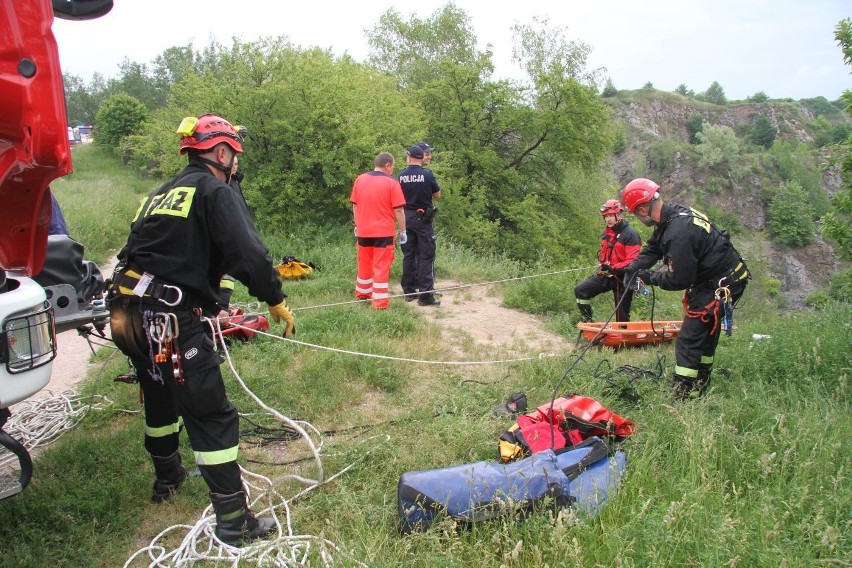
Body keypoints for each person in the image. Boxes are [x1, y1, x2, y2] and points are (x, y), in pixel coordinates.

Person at [108, 113, 295, 546]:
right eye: (233, 157)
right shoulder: (214, 190)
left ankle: (167, 479)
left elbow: (152, 251)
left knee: (157, 390)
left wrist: (214, 302)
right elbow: (247, 252)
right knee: (210, 414)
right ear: (223, 152)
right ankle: (234, 520)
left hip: (126, 314)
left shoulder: (161, 193)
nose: (234, 168)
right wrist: (274, 298)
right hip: (170, 322)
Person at [620, 178, 750, 400]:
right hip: (725, 277)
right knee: (706, 334)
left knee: (689, 339)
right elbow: (654, 246)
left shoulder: (677, 233)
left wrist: (649, 277)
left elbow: (679, 279)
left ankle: (683, 394)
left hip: (720, 283)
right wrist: (633, 268)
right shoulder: (673, 214)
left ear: (643, 209)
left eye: (636, 214)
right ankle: (701, 382)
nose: (638, 219)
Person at [350, 152, 407, 309]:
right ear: (387, 165)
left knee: (365, 264)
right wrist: (403, 231)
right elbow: (399, 211)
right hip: (383, 232)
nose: (392, 170)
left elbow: (355, 205)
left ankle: (362, 294)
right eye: (392, 167)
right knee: (381, 266)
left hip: (363, 230)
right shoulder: (392, 183)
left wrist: (357, 224)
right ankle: (380, 303)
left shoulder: (360, 179)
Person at [574, 199, 642, 322]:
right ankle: (588, 322)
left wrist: (612, 268)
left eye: (611, 216)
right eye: (605, 216)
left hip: (624, 278)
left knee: (622, 316)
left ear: (619, 215)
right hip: (608, 275)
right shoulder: (607, 234)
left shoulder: (631, 234)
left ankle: (623, 338)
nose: (608, 219)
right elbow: (606, 255)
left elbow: (633, 262)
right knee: (581, 291)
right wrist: (604, 265)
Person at [398, 145, 441, 306]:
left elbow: (397, 196)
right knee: (426, 255)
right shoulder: (427, 175)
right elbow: (437, 195)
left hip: (406, 217)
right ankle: (425, 296)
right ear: (420, 158)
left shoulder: (401, 175)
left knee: (409, 254)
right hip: (423, 219)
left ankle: (409, 291)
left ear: (409, 158)